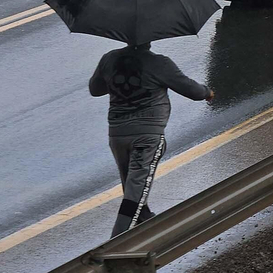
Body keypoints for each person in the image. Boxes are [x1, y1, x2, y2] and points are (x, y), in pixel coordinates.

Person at [90, 42, 212, 236]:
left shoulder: (109, 59)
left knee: (131, 183)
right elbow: (193, 91)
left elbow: (95, 89)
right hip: (147, 135)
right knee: (137, 185)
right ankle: (118, 238)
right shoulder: (159, 63)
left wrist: (120, 78)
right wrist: (208, 92)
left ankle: (144, 218)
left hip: (117, 134)